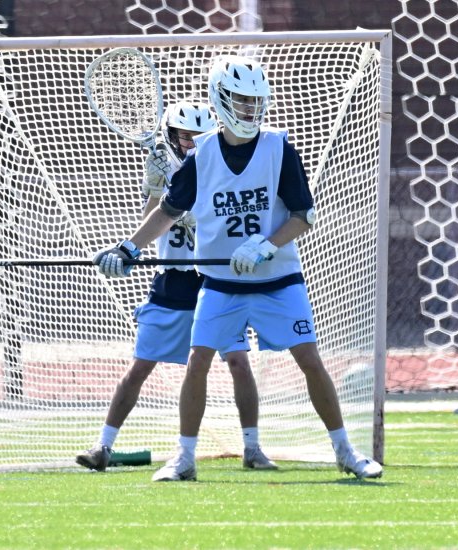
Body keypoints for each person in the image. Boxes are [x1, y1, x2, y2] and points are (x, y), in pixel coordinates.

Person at [93, 56, 383, 482]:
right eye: (241, 101)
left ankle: (344, 450)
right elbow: (168, 211)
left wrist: (266, 244)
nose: (250, 110)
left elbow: (304, 216)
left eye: (256, 102)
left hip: (277, 281)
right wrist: (127, 248)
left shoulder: (279, 149)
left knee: (309, 359)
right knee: (198, 359)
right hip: (221, 285)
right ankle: (185, 458)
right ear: (221, 99)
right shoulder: (203, 154)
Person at [76, 100, 277, 474]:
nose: (191, 144)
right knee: (139, 367)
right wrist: (155, 187)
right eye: (185, 137)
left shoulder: (219, 167)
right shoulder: (163, 171)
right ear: (171, 137)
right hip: (172, 281)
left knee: (238, 362)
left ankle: (253, 447)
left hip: (214, 281)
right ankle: (102, 445)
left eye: (198, 137)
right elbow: (153, 221)